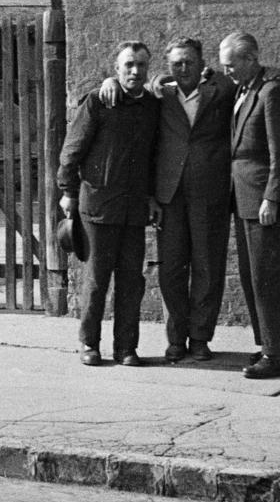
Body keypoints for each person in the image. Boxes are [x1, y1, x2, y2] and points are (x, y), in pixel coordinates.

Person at [58, 41, 161, 366]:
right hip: (98, 207)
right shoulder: (98, 101)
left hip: (134, 211)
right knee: (97, 281)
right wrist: (68, 191)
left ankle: (126, 348)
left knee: (132, 282)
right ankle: (89, 344)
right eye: (128, 65)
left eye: (141, 65)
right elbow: (70, 152)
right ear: (116, 69)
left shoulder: (152, 107)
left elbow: (154, 158)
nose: (135, 71)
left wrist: (152, 198)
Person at [219, 32, 280, 379]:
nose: (227, 72)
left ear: (251, 59)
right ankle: (268, 342)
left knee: (269, 277)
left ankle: (276, 353)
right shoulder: (245, 88)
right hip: (244, 197)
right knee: (253, 277)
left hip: (265, 200)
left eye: (231, 65)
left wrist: (272, 196)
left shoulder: (273, 93)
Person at [150, 38, 236, 363]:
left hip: (209, 194)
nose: (183, 69)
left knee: (207, 267)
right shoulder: (161, 96)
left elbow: (241, 80)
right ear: (168, 67)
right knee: (171, 269)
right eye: (176, 64)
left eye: (189, 62)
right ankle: (176, 338)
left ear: (201, 64)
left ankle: (200, 338)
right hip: (169, 196)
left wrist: (214, 75)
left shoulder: (220, 91)